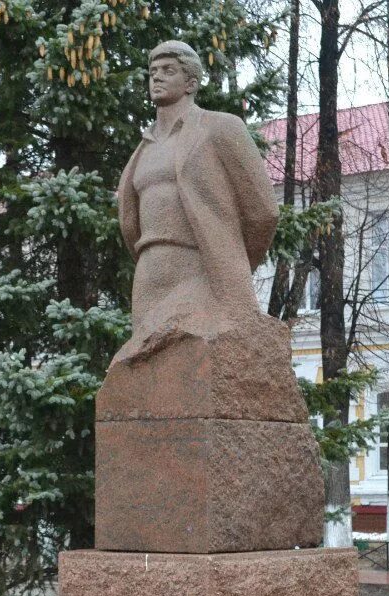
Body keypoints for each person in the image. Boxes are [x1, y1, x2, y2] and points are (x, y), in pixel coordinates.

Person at [115, 40, 279, 361]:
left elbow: (263, 211)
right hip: (149, 271)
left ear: (191, 83)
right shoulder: (143, 148)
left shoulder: (221, 128)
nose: (157, 78)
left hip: (200, 267)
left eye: (168, 71)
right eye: (152, 72)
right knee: (146, 370)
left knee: (207, 361)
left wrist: (231, 259)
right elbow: (130, 220)